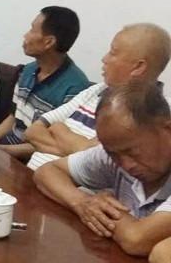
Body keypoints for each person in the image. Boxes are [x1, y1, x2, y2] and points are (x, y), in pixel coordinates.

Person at [34, 83, 171, 258]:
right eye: (113, 154)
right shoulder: (117, 149)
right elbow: (46, 171)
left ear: (167, 129)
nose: (126, 165)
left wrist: (104, 213)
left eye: (133, 152)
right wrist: (82, 202)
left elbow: (136, 239)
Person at [25, 23, 171, 170]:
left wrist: (59, 130)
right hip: (30, 174)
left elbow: (101, 165)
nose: (104, 59)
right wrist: (81, 148)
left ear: (138, 67)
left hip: (61, 182)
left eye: (113, 53)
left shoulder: (153, 115)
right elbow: (33, 131)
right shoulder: (97, 90)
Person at [0, 6, 91, 160]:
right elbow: (15, 116)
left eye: (32, 30)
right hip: (8, 146)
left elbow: (55, 146)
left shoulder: (76, 88)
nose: (25, 36)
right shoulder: (27, 71)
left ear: (49, 42)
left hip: (35, 159)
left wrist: (3, 150)